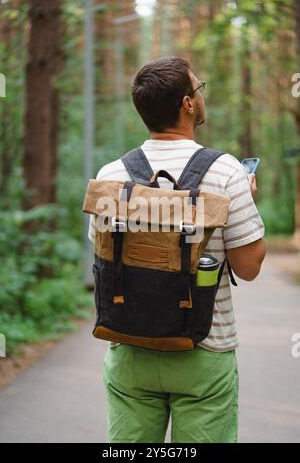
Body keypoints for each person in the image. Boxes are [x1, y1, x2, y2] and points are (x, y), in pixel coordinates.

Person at [88, 56, 266, 443]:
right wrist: (245, 199)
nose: (201, 95)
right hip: (203, 348)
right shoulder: (226, 172)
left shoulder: (110, 176)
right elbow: (248, 267)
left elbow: (104, 258)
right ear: (187, 103)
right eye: (198, 88)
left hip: (128, 345)